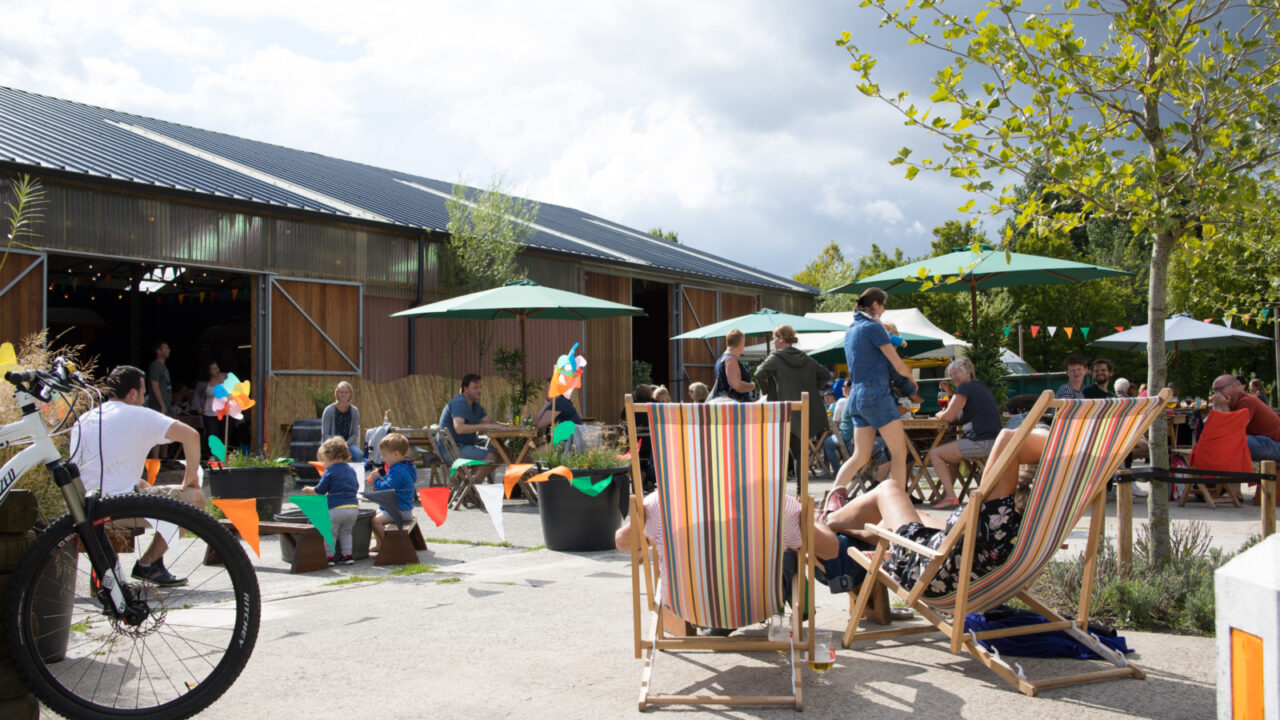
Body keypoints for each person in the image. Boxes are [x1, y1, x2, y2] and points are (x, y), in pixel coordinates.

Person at [826, 425, 1048, 597]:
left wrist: (1057, 441)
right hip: (969, 567)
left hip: (932, 573)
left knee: (889, 488)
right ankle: (850, 527)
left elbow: (1008, 438)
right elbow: (965, 540)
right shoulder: (1028, 519)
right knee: (908, 516)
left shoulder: (1000, 510)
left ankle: (829, 519)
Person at [615, 488, 840, 633]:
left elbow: (622, 543)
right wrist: (813, 520)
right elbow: (831, 549)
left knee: (659, 543)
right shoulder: (772, 500)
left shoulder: (665, 499)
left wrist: (642, 519)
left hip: (691, 604)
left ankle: (717, 618)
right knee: (790, 549)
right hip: (757, 603)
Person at [69, 365, 204, 587]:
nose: (143, 399)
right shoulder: (138, 413)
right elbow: (191, 436)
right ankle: (148, 564)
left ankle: (118, 570)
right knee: (195, 498)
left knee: (145, 485)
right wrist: (191, 480)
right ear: (133, 393)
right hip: (118, 508)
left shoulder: (85, 419)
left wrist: (136, 482)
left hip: (85, 508)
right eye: (143, 394)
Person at [825, 288, 918, 510]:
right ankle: (898, 507)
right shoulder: (873, 327)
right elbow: (896, 363)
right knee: (899, 452)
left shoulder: (851, 330)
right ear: (875, 304)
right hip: (876, 394)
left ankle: (831, 502)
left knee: (860, 455)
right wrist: (910, 379)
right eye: (884, 305)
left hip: (857, 397)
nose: (884, 310)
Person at [928, 358, 1002, 510]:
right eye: (951, 375)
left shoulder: (965, 388)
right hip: (994, 441)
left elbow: (948, 416)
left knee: (935, 453)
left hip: (981, 442)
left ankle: (950, 496)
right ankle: (946, 494)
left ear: (968, 373)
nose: (953, 378)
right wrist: (950, 392)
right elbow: (960, 412)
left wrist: (939, 414)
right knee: (950, 456)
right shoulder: (977, 387)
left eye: (956, 374)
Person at [754, 324, 833, 463]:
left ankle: (782, 484)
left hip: (783, 411)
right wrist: (811, 389)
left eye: (774, 338)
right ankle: (800, 486)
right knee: (799, 455)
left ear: (781, 338)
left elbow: (759, 373)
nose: (773, 341)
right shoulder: (804, 357)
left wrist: (767, 391)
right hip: (803, 411)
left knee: (777, 454)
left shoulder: (776, 357)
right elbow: (825, 375)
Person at [301, 436, 360, 565]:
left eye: (324, 461)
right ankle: (347, 555)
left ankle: (329, 556)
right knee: (346, 532)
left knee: (330, 533)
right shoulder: (350, 470)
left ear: (330, 456)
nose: (324, 464)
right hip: (353, 508)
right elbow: (356, 487)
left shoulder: (330, 471)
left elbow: (320, 490)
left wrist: (309, 490)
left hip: (336, 509)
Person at [440, 374, 508, 463]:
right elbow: (459, 428)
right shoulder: (460, 403)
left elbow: (489, 421)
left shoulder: (474, 405)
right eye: (475, 388)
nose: (479, 390)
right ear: (465, 388)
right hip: (452, 450)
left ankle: (474, 477)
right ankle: (475, 477)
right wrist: (483, 426)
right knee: (492, 457)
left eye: (480, 387)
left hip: (466, 447)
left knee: (501, 454)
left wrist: (507, 426)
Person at [1212, 375, 1280, 462]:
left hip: (1275, 445)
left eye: (1220, 389)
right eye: (1214, 390)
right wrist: (1217, 408)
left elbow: (1233, 432)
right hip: (1263, 443)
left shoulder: (1247, 401)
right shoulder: (1229, 403)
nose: (1217, 394)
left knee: (1234, 441)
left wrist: (1224, 409)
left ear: (1234, 387)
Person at [369, 432, 416, 553]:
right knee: (372, 517)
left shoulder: (397, 470)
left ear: (396, 454)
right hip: (403, 508)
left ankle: (388, 547)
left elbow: (387, 488)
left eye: (384, 455)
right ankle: (380, 544)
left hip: (400, 510)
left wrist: (376, 481)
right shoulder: (405, 466)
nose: (382, 458)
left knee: (375, 521)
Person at [321, 381, 364, 462]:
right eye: (341, 392)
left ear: (350, 394)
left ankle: (352, 474)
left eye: (346, 392)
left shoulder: (354, 411)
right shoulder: (329, 410)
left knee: (359, 455)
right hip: (331, 444)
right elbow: (325, 434)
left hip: (347, 444)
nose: (343, 395)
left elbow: (355, 433)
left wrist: (346, 444)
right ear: (337, 393)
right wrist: (336, 444)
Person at [193, 360, 227, 460]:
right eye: (213, 369)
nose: (216, 371)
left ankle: (222, 456)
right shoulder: (204, 382)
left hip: (225, 411)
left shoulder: (226, 377)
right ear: (209, 372)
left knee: (224, 433)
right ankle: (213, 455)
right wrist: (198, 406)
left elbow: (236, 388)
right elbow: (197, 394)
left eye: (217, 368)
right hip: (210, 412)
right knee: (212, 434)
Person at [710, 329, 756, 401]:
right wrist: (752, 386)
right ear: (741, 343)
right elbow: (736, 385)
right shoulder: (731, 359)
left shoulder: (720, 360)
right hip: (734, 405)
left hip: (724, 402)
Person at [145, 340, 172, 416]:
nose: (168, 350)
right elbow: (155, 386)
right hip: (158, 406)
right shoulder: (156, 366)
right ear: (159, 351)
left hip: (165, 404)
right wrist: (162, 405)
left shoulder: (163, 366)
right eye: (166, 348)